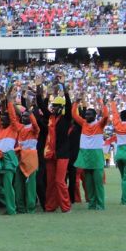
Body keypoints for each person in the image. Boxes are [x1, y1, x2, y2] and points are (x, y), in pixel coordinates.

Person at [40, 77, 73, 213]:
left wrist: (64, 87)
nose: (52, 108)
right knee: (51, 182)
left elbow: (69, 106)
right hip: (51, 154)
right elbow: (41, 106)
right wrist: (43, 94)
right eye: (52, 106)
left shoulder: (65, 119)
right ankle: (50, 206)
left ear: (61, 108)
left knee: (59, 181)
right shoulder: (51, 118)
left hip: (62, 154)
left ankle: (66, 207)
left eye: (55, 106)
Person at [71, 97, 109, 210]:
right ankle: (92, 204)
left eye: (89, 114)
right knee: (89, 184)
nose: (86, 116)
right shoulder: (83, 123)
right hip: (86, 157)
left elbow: (106, 116)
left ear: (94, 116)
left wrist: (102, 104)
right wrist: (76, 103)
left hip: (96, 158)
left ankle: (100, 205)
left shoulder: (99, 125)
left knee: (98, 184)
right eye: (86, 114)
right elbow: (74, 115)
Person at [0, 87, 22, 215]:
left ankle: (11, 209)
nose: (1, 120)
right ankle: (10, 203)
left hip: (8, 158)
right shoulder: (1, 127)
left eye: (4, 118)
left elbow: (13, 116)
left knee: (8, 186)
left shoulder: (14, 127)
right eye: (1, 118)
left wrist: (9, 100)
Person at [14, 98, 39, 213]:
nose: (23, 118)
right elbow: (13, 118)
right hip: (19, 158)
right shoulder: (20, 128)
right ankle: (20, 207)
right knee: (18, 185)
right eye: (22, 116)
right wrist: (10, 103)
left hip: (31, 160)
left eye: (26, 116)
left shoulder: (34, 130)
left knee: (30, 186)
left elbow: (35, 124)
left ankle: (30, 208)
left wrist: (30, 111)